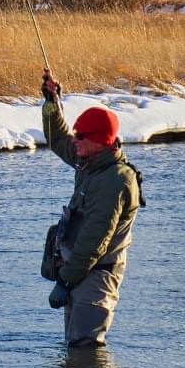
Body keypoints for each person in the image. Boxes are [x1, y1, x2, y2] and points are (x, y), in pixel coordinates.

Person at [40, 70, 143, 347]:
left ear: (101, 140)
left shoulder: (114, 180)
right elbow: (59, 139)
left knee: (85, 349)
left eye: (82, 136)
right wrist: (52, 102)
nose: (76, 140)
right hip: (80, 273)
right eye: (77, 135)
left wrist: (65, 282)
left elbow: (95, 240)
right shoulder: (91, 161)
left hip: (97, 278)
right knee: (75, 350)